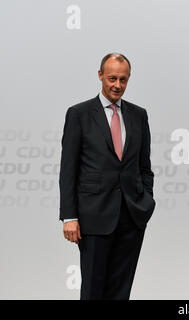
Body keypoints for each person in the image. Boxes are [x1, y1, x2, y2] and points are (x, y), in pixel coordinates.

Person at [59, 53, 156, 300]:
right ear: (100, 75)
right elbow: (68, 170)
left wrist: (146, 202)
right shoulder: (79, 114)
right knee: (93, 290)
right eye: (112, 78)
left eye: (123, 79)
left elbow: (144, 166)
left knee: (121, 291)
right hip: (93, 217)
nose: (117, 85)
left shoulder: (139, 115)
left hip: (131, 217)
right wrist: (69, 216)